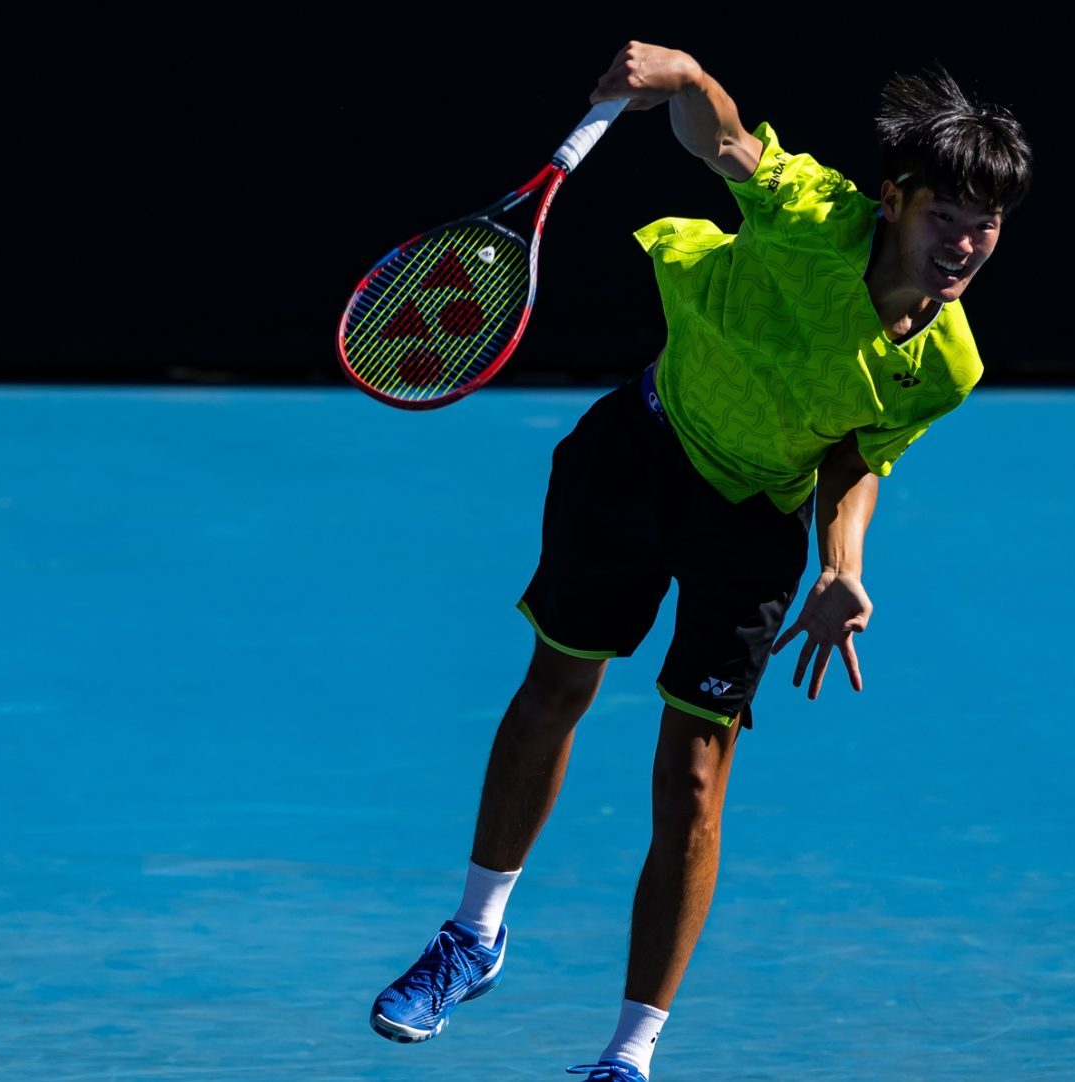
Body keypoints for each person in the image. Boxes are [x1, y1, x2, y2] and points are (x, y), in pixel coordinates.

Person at [369, 40, 1033, 1082]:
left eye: (985, 225)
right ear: (895, 202)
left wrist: (839, 563)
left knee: (693, 777)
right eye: (946, 217)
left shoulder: (947, 365)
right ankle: (474, 935)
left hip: (750, 530)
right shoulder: (815, 214)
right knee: (555, 687)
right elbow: (721, 137)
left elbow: (856, 456)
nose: (964, 245)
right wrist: (683, 75)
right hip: (639, 455)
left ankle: (628, 1054)